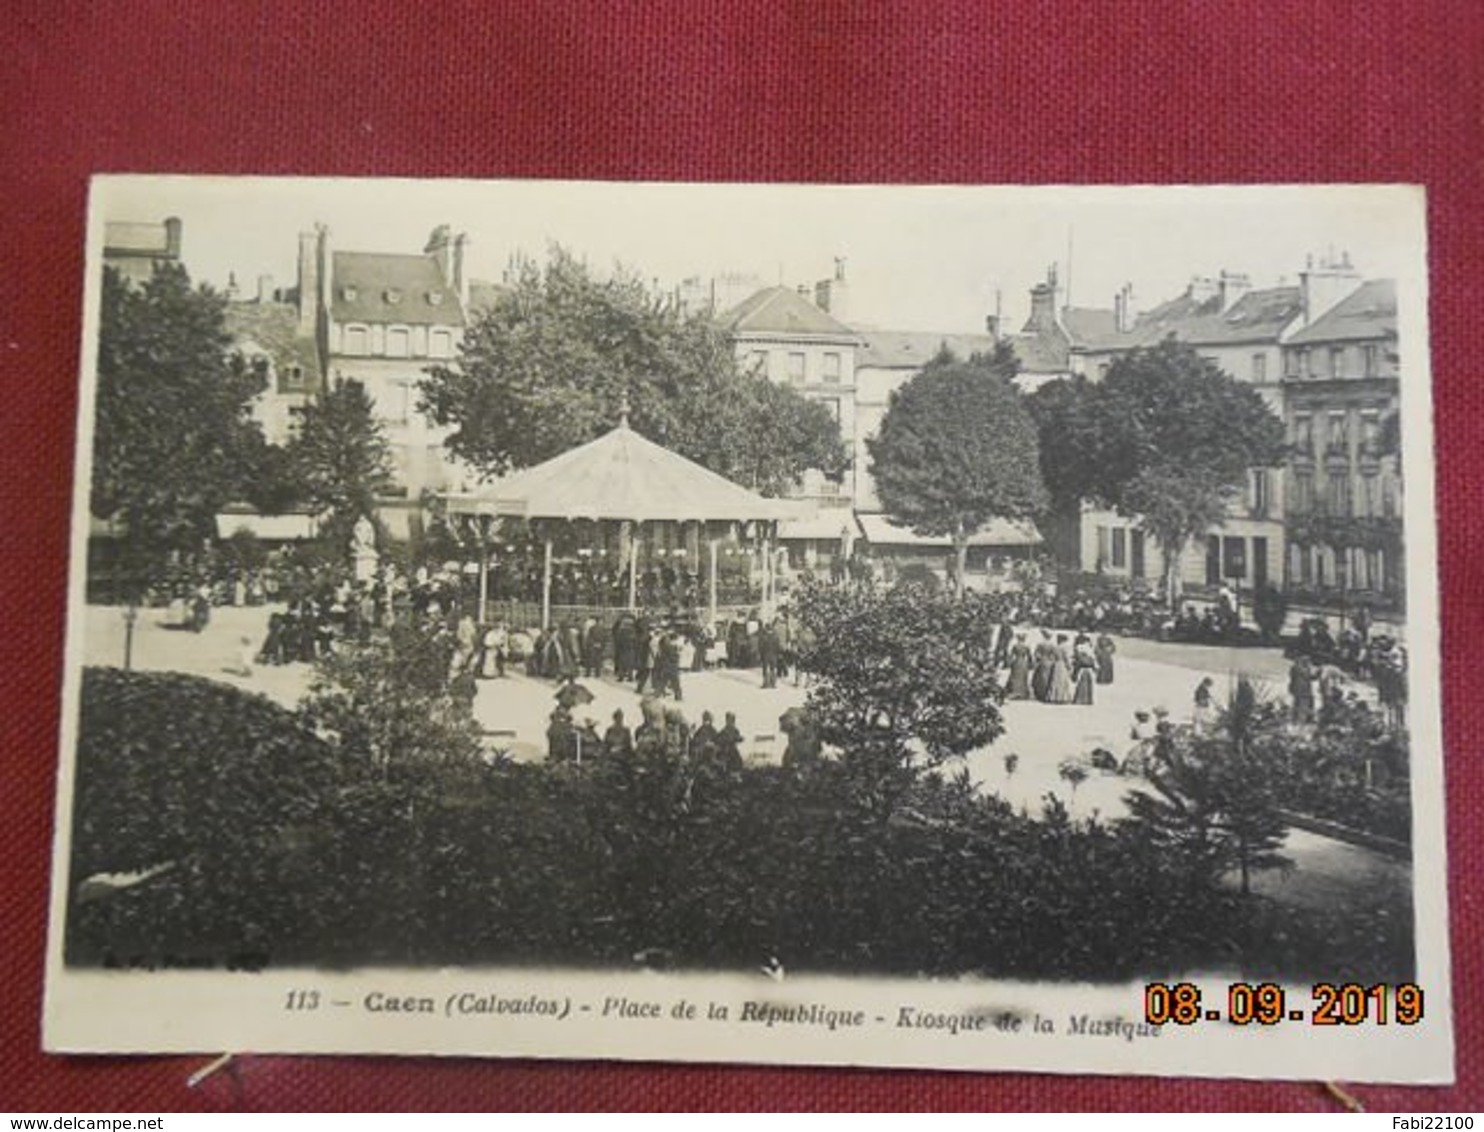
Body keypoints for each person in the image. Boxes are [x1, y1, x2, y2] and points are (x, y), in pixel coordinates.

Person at [1046, 635, 1075, 705]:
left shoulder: (1056, 647)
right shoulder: (1064, 648)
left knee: (1055, 680)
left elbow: (1052, 657)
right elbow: (1066, 658)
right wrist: (1069, 666)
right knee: (1062, 681)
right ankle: (1062, 697)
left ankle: (1054, 696)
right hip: (1062, 664)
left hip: (1056, 664)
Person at [1006, 633, 1032, 700]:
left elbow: (1011, 656)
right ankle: (1022, 693)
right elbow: (1030, 657)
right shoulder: (1026, 647)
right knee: (1023, 678)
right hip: (1023, 663)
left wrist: (1009, 663)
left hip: (1016, 662)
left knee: (1015, 677)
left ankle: (1014, 691)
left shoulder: (1015, 646)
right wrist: (1030, 664)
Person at [1289, 656, 1315, 724]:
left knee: (1297, 703)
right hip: (1303, 689)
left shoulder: (1296, 668)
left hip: (1297, 688)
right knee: (1305, 704)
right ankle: (1304, 719)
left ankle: (1295, 719)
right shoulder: (1301, 669)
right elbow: (1308, 676)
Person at [1072, 637, 1097, 705]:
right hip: (1088, 671)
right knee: (1087, 685)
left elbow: (1077, 665)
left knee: (1082, 685)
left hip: (1083, 671)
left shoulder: (1081, 657)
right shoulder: (1090, 658)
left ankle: (1080, 699)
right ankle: (1087, 699)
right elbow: (1094, 665)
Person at [758, 619, 780, 689]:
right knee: (773, 669)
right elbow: (778, 646)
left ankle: (765, 683)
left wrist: (760, 654)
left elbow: (760, 646)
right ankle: (773, 683)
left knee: (765, 669)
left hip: (765, 654)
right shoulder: (775, 636)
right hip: (774, 655)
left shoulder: (763, 636)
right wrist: (778, 654)